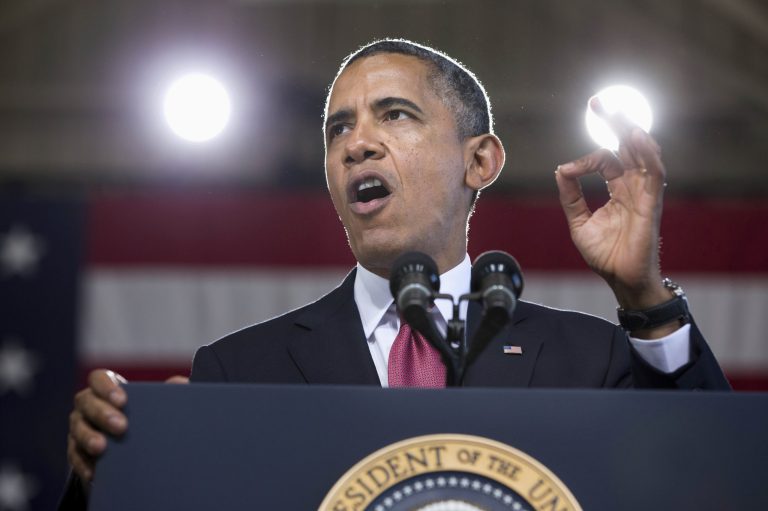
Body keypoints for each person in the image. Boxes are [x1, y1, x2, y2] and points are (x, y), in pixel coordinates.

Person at [61, 39, 729, 506]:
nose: (359, 143)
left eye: (395, 114)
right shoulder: (237, 373)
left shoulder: (593, 361)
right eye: (338, 129)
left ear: (481, 161)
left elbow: (713, 482)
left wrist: (644, 295)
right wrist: (113, 477)